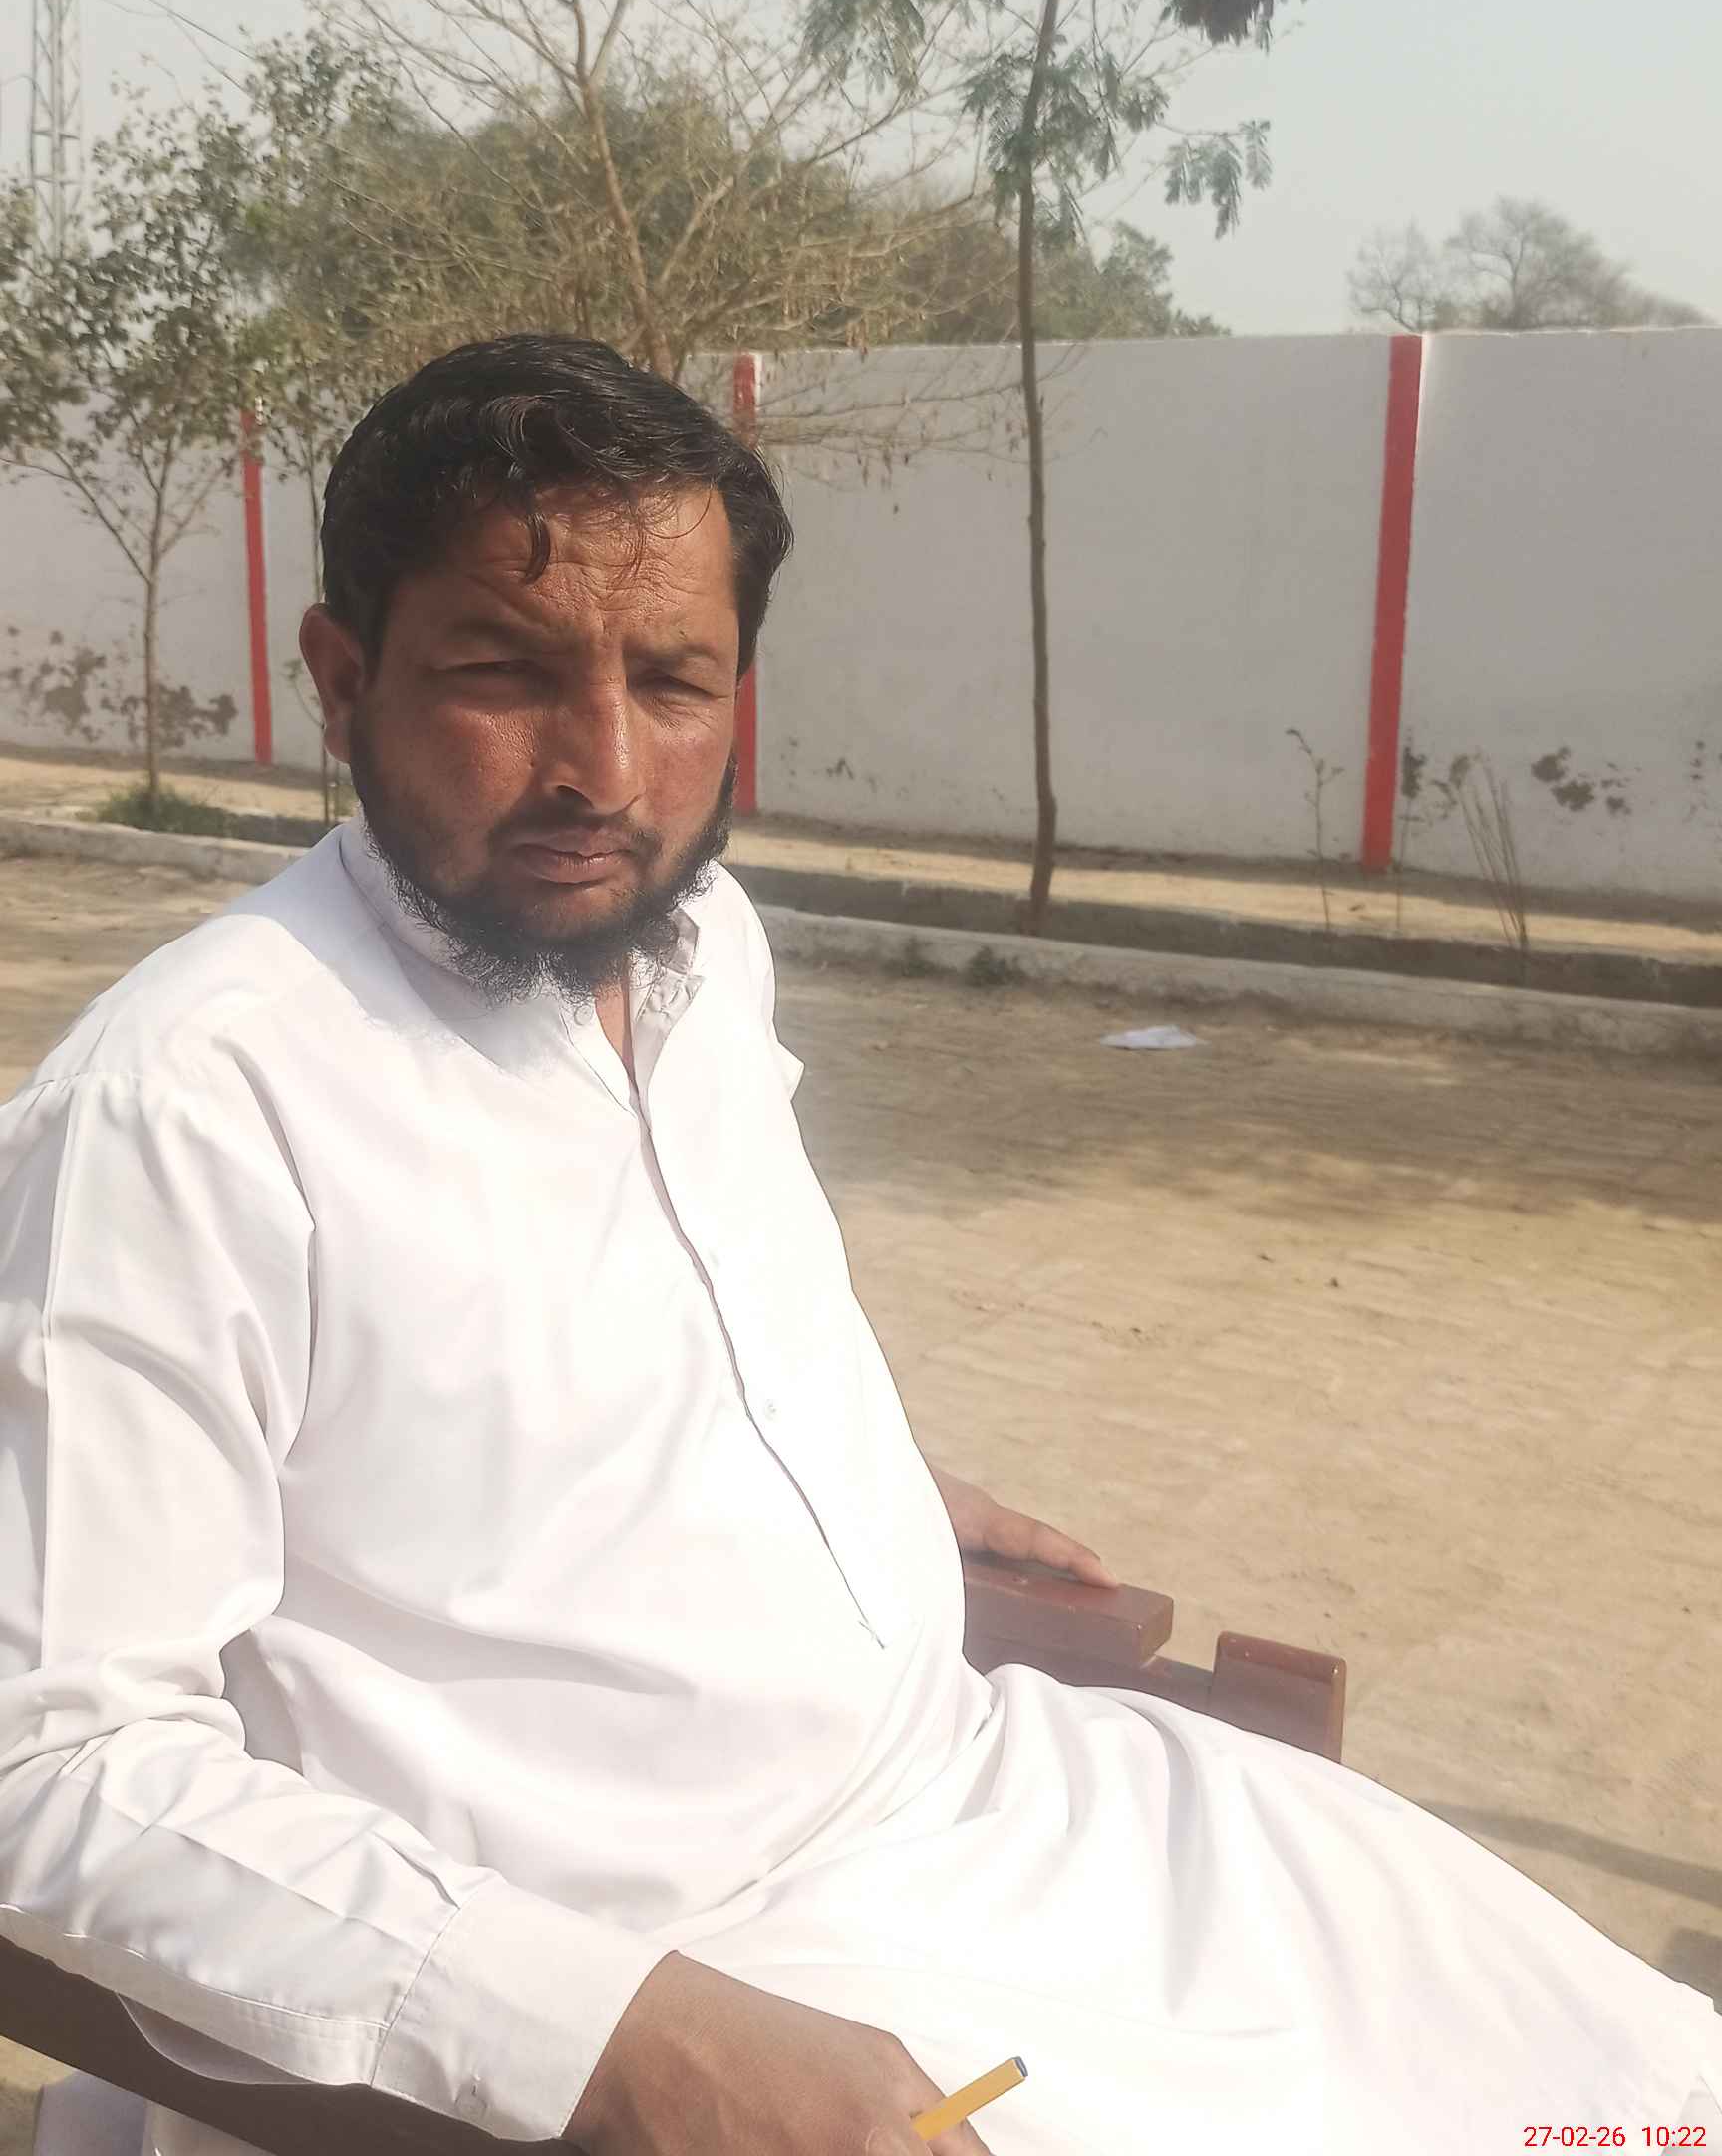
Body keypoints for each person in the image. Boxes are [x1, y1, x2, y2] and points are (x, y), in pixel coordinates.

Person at [0, 335, 1715, 2156]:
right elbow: (54, 1763)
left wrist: (838, 1460)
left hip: (1002, 1795)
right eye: (503, 673)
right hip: (679, 1971)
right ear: (343, 677)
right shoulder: (189, 1106)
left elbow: (641, 1304)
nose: (604, 769)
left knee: (1624, 2071)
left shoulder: (699, 945)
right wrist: (621, 2035)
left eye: (674, 682)